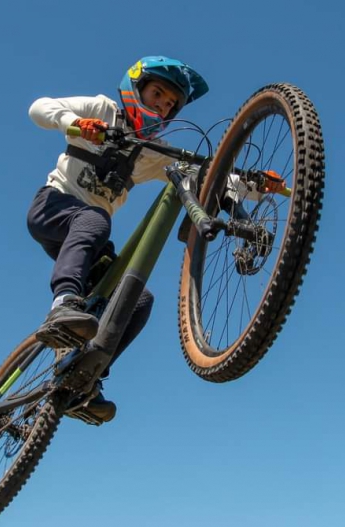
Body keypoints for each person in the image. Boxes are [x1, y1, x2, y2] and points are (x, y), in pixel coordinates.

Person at [25, 56, 209, 422]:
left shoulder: (153, 152)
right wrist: (75, 123)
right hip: (53, 207)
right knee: (95, 219)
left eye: (170, 104)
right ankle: (62, 303)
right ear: (135, 87)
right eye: (158, 94)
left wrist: (254, 185)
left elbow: (203, 174)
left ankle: (83, 379)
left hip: (90, 238)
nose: (162, 106)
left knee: (137, 299)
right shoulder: (103, 110)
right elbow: (39, 108)